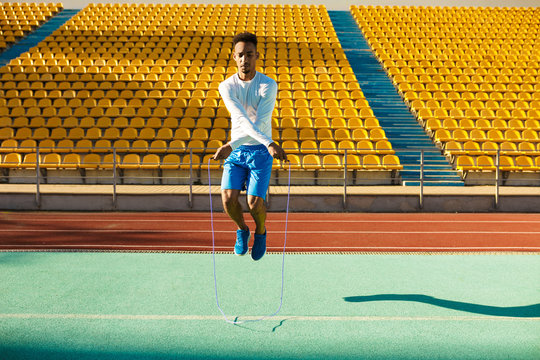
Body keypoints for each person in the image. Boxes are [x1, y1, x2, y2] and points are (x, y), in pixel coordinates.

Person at [212, 32, 287, 261]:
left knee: (254, 203)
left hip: (260, 152)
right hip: (238, 150)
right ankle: (242, 230)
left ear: (257, 56)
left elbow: (256, 124)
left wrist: (265, 143)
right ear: (233, 57)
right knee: (227, 198)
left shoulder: (268, 85)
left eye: (250, 55)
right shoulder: (226, 86)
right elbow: (241, 119)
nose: (245, 59)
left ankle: (261, 231)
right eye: (241, 55)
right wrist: (234, 146)